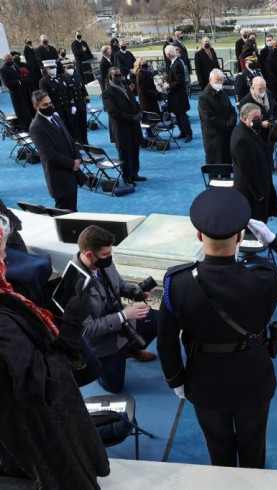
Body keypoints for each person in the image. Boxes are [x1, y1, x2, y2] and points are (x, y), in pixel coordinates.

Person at [158, 187, 277, 468]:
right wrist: (273, 239)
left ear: (199, 235)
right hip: (253, 380)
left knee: (218, 451)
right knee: (253, 447)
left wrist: (176, 380)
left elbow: (166, 340)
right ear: (241, 236)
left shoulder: (177, 282)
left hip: (203, 381)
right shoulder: (265, 279)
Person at [0, 216, 110, 489]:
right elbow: (40, 384)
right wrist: (71, 327)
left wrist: (50, 297)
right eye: (1, 252)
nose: (6, 258)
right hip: (42, 434)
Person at [72, 225, 158, 394]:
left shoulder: (103, 262)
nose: (109, 257)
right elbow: (87, 329)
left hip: (122, 320)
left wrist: (137, 292)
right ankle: (96, 367)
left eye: (110, 252)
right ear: (89, 255)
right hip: (101, 342)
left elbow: (118, 284)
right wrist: (123, 315)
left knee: (157, 319)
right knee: (114, 387)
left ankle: (130, 350)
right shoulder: (73, 284)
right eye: (106, 254)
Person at [28, 89, 83, 211]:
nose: (49, 106)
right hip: (59, 177)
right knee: (64, 213)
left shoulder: (55, 117)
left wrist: (78, 157)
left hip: (71, 172)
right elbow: (49, 154)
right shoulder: (36, 127)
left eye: (50, 103)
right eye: (45, 105)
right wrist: (72, 163)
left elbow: (69, 138)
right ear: (36, 107)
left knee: (73, 209)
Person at [230, 103, 277, 222]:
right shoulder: (242, 140)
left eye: (260, 118)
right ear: (245, 118)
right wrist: (259, 194)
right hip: (251, 193)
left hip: (258, 186)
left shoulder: (247, 129)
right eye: (255, 119)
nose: (259, 121)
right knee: (254, 227)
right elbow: (248, 172)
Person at [102, 67, 145, 185]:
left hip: (133, 125)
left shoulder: (125, 87)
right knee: (124, 153)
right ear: (110, 76)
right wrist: (132, 117)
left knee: (135, 150)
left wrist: (139, 112)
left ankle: (134, 173)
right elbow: (113, 112)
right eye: (116, 75)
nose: (119, 77)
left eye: (120, 74)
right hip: (121, 127)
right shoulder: (107, 93)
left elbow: (133, 101)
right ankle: (126, 177)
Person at [199, 69, 237, 165]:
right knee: (214, 165)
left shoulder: (223, 93)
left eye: (221, 81)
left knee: (227, 163)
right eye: (217, 81)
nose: (219, 83)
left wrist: (232, 120)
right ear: (210, 80)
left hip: (226, 134)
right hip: (213, 136)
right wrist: (226, 125)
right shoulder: (203, 97)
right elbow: (209, 118)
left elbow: (231, 109)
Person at [242, 77, 277, 170]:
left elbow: (274, 107)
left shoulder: (268, 94)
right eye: (260, 88)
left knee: (269, 155)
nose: (263, 90)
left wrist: (273, 119)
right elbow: (245, 121)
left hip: (269, 133)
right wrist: (260, 124)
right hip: (256, 135)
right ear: (253, 87)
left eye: (264, 87)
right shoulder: (246, 101)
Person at [163, 44, 193, 143]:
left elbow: (180, 81)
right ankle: (183, 132)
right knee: (178, 114)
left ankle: (188, 133)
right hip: (175, 95)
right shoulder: (174, 62)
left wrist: (168, 85)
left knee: (182, 115)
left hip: (178, 95)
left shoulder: (177, 64)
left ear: (168, 54)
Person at [39, 59, 74, 136]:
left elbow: (68, 91)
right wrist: (53, 110)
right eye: (51, 68)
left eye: (54, 67)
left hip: (67, 106)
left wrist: (72, 104)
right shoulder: (44, 81)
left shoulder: (61, 77)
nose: (54, 69)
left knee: (72, 127)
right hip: (57, 108)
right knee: (62, 129)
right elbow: (46, 97)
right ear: (46, 69)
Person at [0, 53, 34, 131]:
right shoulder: (3, 70)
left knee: (28, 110)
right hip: (16, 94)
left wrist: (25, 79)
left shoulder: (15, 65)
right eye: (8, 60)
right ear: (4, 61)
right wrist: (20, 81)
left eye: (11, 59)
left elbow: (21, 75)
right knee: (22, 113)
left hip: (25, 92)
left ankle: (32, 127)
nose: (10, 61)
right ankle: (26, 129)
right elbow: (7, 83)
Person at [61, 58, 90, 145]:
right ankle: (78, 141)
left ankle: (85, 140)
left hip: (81, 103)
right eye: (68, 67)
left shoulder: (78, 75)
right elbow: (67, 93)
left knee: (83, 123)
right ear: (64, 69)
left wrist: (87, 101)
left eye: (71, 66)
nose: (70, 68)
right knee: (75, 124)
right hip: (72, 105)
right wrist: (72, 104)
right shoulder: (63, 78)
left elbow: (83, 89)